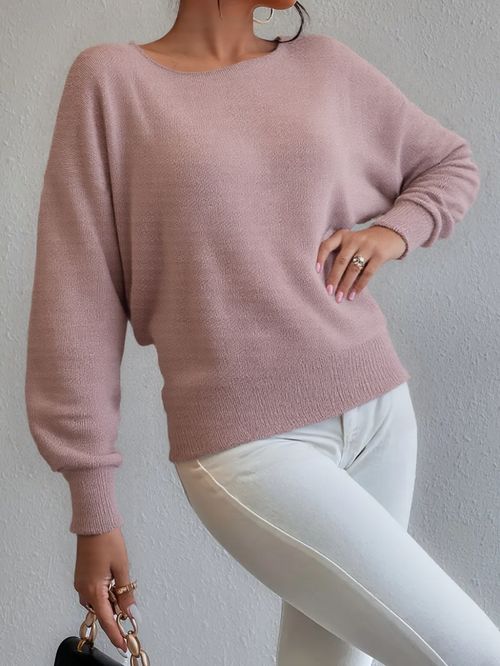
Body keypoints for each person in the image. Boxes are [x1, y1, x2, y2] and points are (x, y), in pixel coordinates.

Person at [24, 1, 499, 664]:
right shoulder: (111, 82)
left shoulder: (323, 66)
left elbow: (449, 162)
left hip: (381, 415)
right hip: (249, 443)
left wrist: (394, 232)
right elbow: (75, 300)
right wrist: (92, 508)